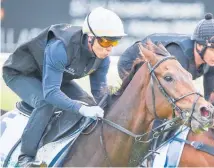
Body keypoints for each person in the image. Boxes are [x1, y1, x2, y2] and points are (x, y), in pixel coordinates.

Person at [2, 7, 126, 167]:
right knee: (45, 103)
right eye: (105, 41)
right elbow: (51, 93)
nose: (109, 48)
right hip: (22, 73)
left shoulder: (103, 58)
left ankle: (57, 146)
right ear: (90, 38)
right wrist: (80, 109)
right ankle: (25, 158)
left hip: (54, 77)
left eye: (114, 42)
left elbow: (99, 93)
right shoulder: (60, 47)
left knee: (90, 103)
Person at [118, 13, 214, 101]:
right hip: (131, 62)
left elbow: (210, 98)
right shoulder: (179, 57)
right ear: (200, 46)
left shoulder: (213, 61)